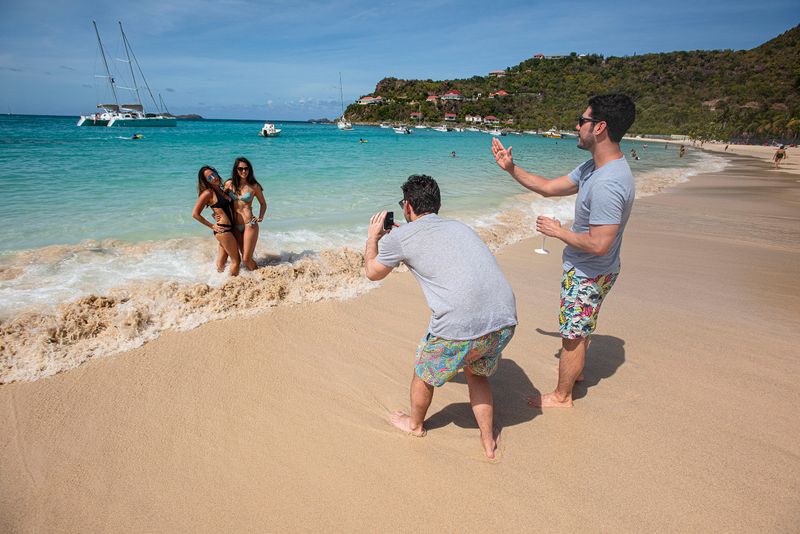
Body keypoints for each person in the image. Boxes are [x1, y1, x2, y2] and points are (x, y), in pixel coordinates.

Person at [491, 93, 636, 408]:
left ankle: (562, 395)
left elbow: (600, 243)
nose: (577, 125)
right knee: (580, 326)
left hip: (590, 272)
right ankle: (577, 372)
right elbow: (547, 187)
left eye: (583, 120)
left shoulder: (608, 183)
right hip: (597, 269)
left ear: (600, 128)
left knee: (571, 334)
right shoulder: (592, 168)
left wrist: (559, 232)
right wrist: (511, 169)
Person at [364, 175, 517, 459]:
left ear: (407, 206)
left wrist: (373, 238)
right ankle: (488, 440)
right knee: (476, 374)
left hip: (459, 324)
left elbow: (372, 273)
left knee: (423, 374)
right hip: (504, 320)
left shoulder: (399, 237)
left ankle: (415, 425)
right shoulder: (460, 226)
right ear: (437, 205)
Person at [192, 166, 241, 276]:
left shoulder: (222, 190)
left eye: (214, 174)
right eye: (209, 178)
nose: (214, 178)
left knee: (222, 262)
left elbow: (222, 208)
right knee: (236, 261)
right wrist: (212, 226)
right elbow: (195, 214)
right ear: (206, 181)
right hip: (223, 230)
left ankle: (216, 281)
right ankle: (232, 285)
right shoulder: (208, 193)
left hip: (229, 229)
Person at [224, 157, 267, 271]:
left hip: (250, 224)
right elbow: (220, 201)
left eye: (246, 168)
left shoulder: (254, 186)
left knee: (246, 259)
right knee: (243, 256)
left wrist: (260, 217)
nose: (243, 171)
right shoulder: (229, 184)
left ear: (250, 170)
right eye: (240, 169)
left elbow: (263, 204)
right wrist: (216, 214)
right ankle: (251, 275)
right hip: (235, 226)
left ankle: (260, 276)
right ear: (236, 170)